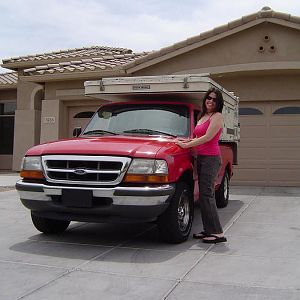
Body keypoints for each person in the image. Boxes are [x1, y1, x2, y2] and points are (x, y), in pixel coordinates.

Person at [176, 87, 227, 244]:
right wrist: (184, 142)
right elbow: (196, 135)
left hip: (211, 159)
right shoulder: (203, 115)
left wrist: (187, 145)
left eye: (214, 99)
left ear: (218, 103)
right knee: (203, 197)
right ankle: (208, 230)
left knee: (207, 194)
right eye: (209, 98)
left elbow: (207, 137)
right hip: (202, 158)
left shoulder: (217, 116)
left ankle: (217, 233)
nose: (211, 101)